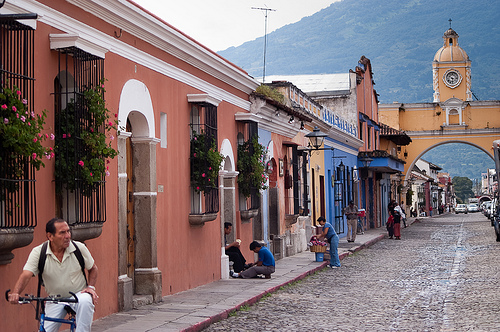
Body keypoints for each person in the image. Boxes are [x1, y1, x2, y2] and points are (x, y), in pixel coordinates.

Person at [8, 218, 98, 332]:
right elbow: (26, 274)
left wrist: (90, 288)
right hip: (55, 298)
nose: (68, 236)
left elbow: (93, 268)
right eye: (62, 233)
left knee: (86, 301)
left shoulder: (79, 248)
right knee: (45, 330)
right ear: (50, 236)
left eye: (68, 231)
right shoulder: (39, 252)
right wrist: (16, 293)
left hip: (78, 295)